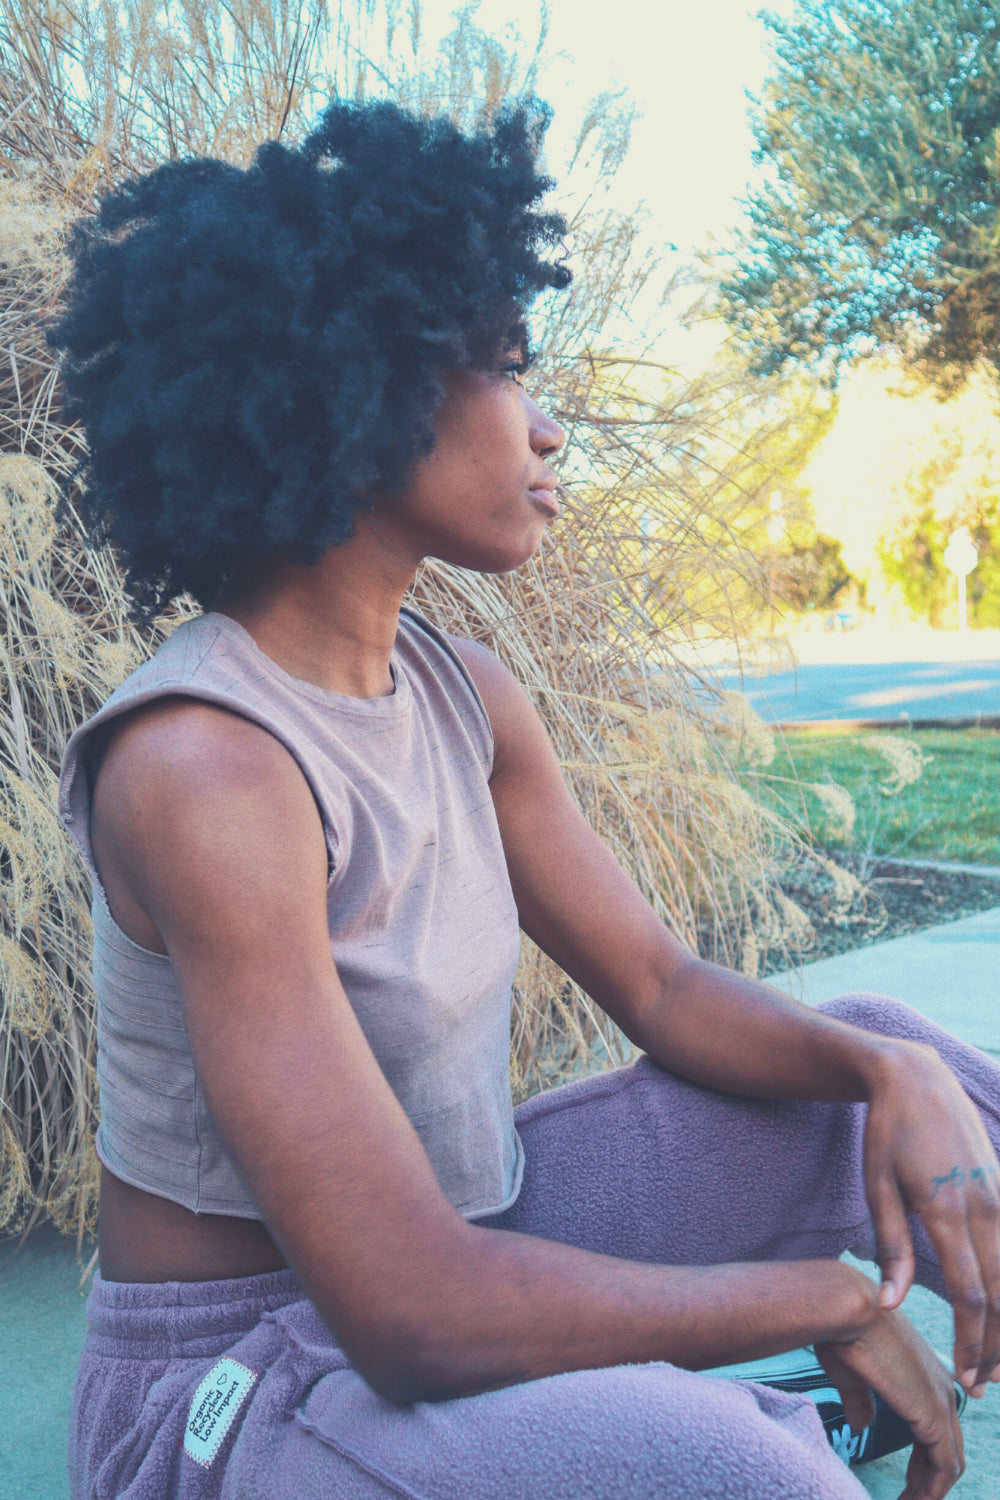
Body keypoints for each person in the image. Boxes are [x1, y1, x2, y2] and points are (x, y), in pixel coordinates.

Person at [51, 99, 1000, 1500]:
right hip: (239, 1379)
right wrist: (820, 1300)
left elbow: (668, 993)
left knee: (895, 1058)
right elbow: (411, 1312)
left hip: (459, 1237)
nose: (550, 430)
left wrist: (888, 1075)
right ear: (356, 400)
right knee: (750, 1478)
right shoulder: (210, 769)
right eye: (504, 371)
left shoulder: (464, 694)